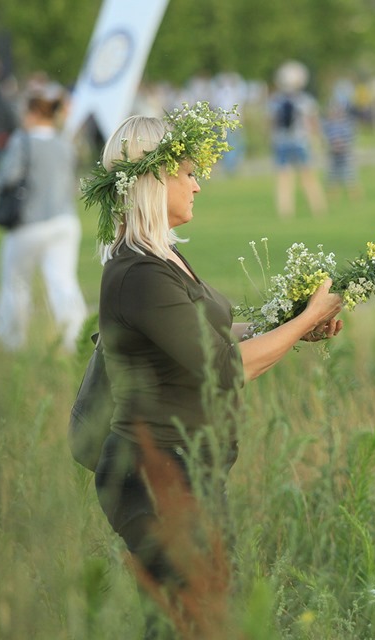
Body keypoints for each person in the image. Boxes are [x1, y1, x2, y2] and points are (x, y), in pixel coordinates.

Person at [83, 103, 343, 638]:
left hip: (187, 469)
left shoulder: (163, 258)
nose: (198, 185)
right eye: (188, 173)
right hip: (154, 474)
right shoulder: (138, 271)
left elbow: (206, 337)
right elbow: (222, 369)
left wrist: (291, 325)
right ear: (155, 178)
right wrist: (311, 316)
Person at [0, 83, 87, 353]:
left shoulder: (22, 141)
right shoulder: (65, 143)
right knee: (63, 281)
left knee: (16, 282)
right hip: (64, 220)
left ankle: (11, 341)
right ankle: (75, 339)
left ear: (32, 111)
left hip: (30, 223)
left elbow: (8, 177)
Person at [269, 60, 327, 218]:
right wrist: (319, 138)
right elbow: (312, 121)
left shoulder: (276, 100)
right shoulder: (304, 100)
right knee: (308, 175)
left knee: (283, 177)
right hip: (300, 141)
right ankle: (318, 208)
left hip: (281, 141)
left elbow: (270, 122)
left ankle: (285, 211)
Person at [321, 98, 362, 203]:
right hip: (333, 156)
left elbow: (351, 138)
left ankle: (355, 199)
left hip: (345, 156)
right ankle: (333, 200)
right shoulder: (328, 125)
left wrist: (342, 145)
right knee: (332, 179)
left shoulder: (346, 124)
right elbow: (325, 139)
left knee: (350, 178)